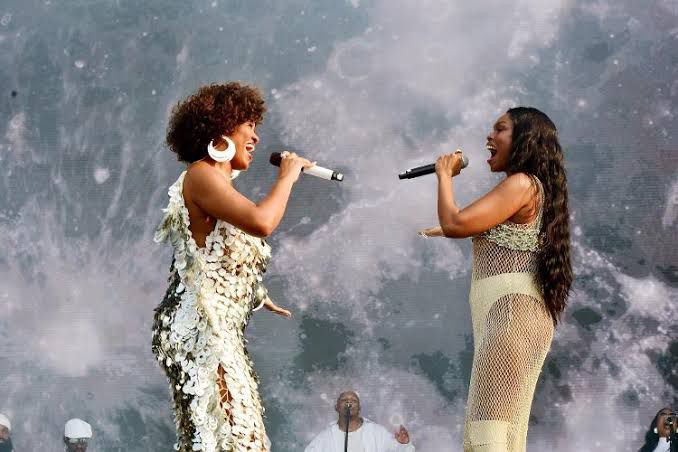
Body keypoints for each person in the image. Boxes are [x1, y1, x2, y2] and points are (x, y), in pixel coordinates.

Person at [152, 82, 314, 451]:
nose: (256, 137)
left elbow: (212, 255)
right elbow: (261, 222)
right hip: (201, 328)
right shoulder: (202, 175)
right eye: (249, 126)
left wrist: (253, 294)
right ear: (221, 128)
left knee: (232, 437)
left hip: (217, 326)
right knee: (230, 438)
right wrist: (287, 176)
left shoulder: (216, 181)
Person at [419, 107, 573, 451]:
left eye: (499, 129)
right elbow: (478, 225)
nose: (489, 137)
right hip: (516, 312)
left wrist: (444, 175)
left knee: (488, 431)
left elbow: (456, 223)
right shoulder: (532, 186)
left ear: (524, 139)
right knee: (502, 432)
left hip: (511, 314)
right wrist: (451, 230)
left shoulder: (521, 183)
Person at [304, 390, 415, 452]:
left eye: (354, 400)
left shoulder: (377, 432)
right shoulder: (324, 438)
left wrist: (403, 444)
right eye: (344, 400)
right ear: (336, 407)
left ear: (359, 408)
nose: (349, 403)